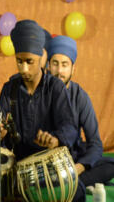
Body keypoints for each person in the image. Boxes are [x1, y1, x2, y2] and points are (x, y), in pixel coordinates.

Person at [0, 20, 80, 202]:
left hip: (49, 166)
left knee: (76, 192)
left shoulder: (55, 88)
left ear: (41, 57)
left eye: (29, 61)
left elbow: (70, 127)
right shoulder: (10, 89)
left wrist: (56, 139)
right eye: (19, 61)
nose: (24, 69)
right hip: (19, 165)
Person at [47, 36, 114, 193]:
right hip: (44, 160)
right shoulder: (39, 92)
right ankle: (73, 185)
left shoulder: (80, 96)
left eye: (65, 64)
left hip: (72, 158)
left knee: (110, 165)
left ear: (73, 68)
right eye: (55, 63)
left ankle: (69, 183)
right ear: (48, 65)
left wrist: (79, 167)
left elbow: (95, 143)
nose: (59, 71)